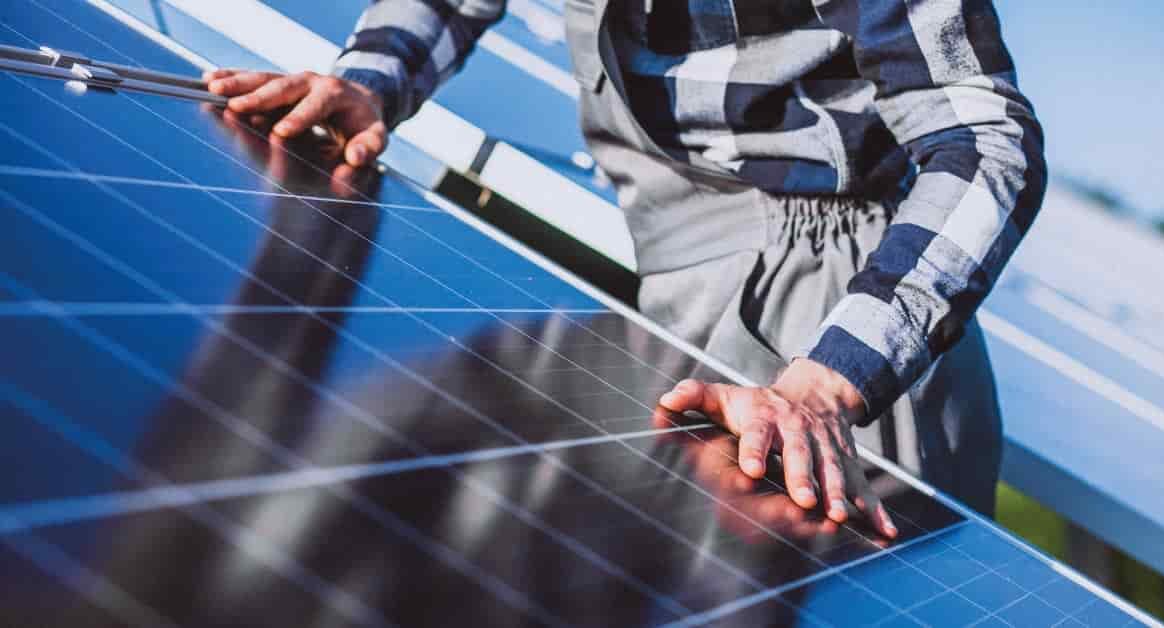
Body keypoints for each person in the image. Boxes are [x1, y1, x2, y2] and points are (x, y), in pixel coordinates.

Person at [205, 0, 1046, 539]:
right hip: (679, 293)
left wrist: (827, 384)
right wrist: (370, 83)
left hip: (837, 330)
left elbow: (986, 143)